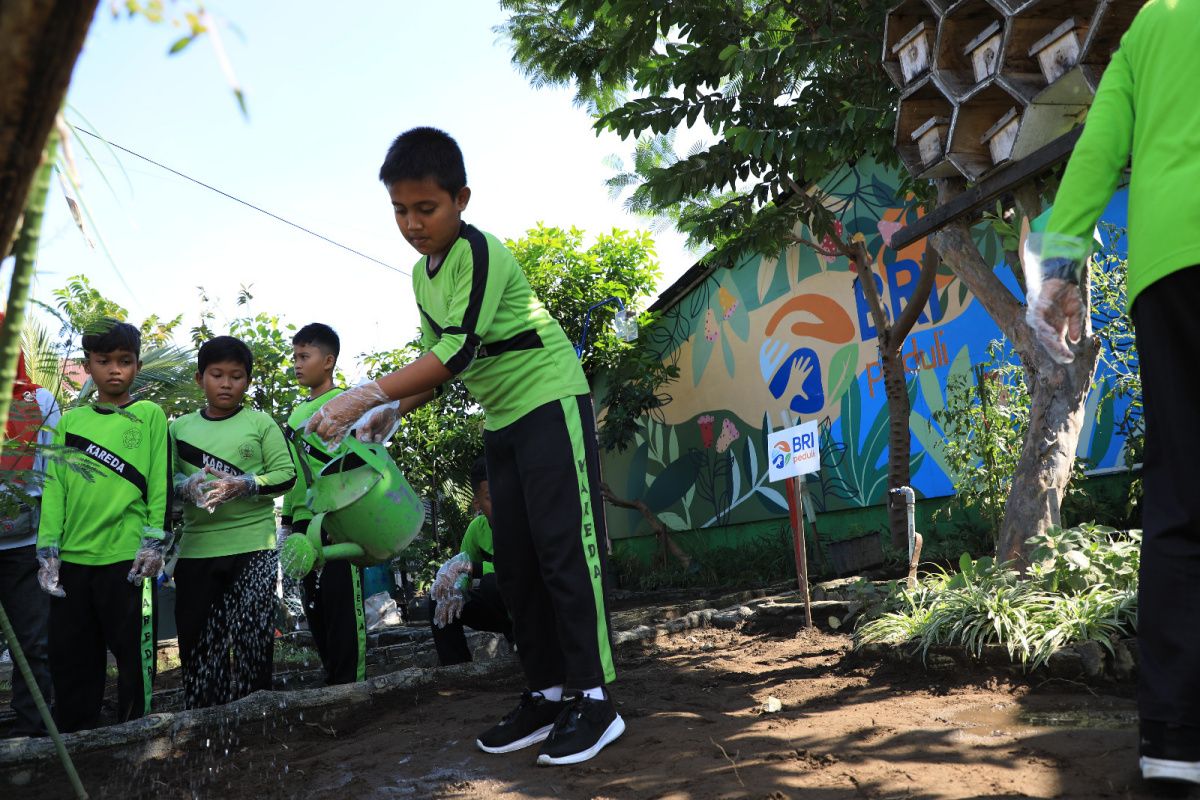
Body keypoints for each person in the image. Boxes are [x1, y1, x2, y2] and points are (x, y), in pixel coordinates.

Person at [306, 127, 622, 766]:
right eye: (400, 210)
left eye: (427, 208)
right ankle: (547, 691)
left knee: (565, 552)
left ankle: (595, 700)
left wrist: (364, 394)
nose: (413, 223)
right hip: (502, 418)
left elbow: (459, 351)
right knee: (517, 562)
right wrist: (391, 411)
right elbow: (441, 362)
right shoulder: (423, 277)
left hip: (550, 401)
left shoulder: (478, 253)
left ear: (461, 200)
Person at [1028, 0, 1200, 785]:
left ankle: (1172, 745)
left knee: (1179, 504)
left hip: (1170, 271)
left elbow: (1099, 145)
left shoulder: (1155, 20)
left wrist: (1060, 264)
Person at [35, 320, 169, 733]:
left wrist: (153, 543)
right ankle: (79, 741)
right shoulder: (70, 422)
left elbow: (159, 484)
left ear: (138, 365)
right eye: (104, 361)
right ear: (88, 366)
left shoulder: (149, 416)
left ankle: (138, 737)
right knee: (72, 658)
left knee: (133, 657)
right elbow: (54, 488)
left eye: (124, 361)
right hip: (72, 563)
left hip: (126, 562)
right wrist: (48, 550)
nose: (114, 369)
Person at [169, 336, 296, 709]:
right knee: (197, 640)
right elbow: (164, 484)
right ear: (199, 378)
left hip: (253, 547)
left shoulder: (260, 423)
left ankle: (257, 714)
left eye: (237, 376)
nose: (226, 384)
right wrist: (185, 487)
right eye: (217, 375)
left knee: (254, 639)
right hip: (196, 549)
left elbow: (286, 475)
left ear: (248, 382)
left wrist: (246, 484)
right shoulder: (179, 429)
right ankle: (204, 720)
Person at [280, 322, 367, 685]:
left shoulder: (350, 402)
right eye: (295, 356)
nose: (297, 364)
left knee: (342, 601)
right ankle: (332, 678)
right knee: (314, 604)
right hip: (303, 522)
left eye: (305, 356)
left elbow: (365, 459)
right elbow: (293, 473)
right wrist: (287, 522)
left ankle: (352, 683)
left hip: (338, 519)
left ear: (328, 360)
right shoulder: (294, 415)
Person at [0, 347, 60, 736]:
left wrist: (51, 546)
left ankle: (33, 731)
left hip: (26, 544)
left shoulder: (38, 400)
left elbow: (54, 472)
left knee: (32, 644)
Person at [430, 456, 512, 666]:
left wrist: (474, 568)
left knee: (492, 584)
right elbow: (463, 573)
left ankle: (524, 647)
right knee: (440, 597)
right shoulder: (476, 529)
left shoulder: (525, 522)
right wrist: (455, 588)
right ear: (477, 503)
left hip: (534, 607)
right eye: (491, 498)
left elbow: (524, 569)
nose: (502, 504)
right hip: (500, 610)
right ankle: (457, 670)